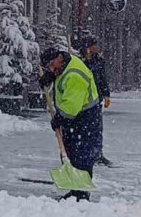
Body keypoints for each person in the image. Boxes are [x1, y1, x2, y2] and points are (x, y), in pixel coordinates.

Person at [40, 47, 102, 202]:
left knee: (82, 155)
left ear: (59, 58)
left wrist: (59, 119)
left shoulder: (74, 74)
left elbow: (71, 108)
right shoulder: (64, 65)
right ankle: (75, 190)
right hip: (75, 116)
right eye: (48, 67)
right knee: (70, 152)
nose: (51, 69)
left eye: (52, 65)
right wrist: (50, 77)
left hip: (85, 118)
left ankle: (81, 194)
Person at [77, 35, 113, 167]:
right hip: (82, 100)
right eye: (95, 45)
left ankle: (97, 154)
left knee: (96, 128)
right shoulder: (79, 61)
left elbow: (102, 78)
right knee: (83, 129)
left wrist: (106, 94)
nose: (98, 47)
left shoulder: (99, 61)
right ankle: (84, 153)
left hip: (96, 99)